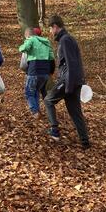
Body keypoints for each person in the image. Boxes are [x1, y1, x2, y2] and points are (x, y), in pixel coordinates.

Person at [44, 15, 90, 149]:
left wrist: (69, 85)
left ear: (55, 27)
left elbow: (72, 63)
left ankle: (55, 131)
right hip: (73, 80)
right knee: (75, 112)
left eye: (51, 29)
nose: (51, 32)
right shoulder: (67, 40)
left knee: (48, 100)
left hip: (68, 80)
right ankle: (85, 142)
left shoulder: (66, 40)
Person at [19, 27, 55, 118]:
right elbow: (51, 58)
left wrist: (22, 45)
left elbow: (24, 48)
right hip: (45, 72)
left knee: (29, 92)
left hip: (34, 71)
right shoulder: (46, 42)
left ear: (27, 36)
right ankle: (38, 110)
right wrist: (51, 71)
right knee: (35, 91)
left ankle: (35, 111)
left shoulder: (31, 39)